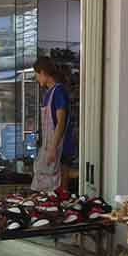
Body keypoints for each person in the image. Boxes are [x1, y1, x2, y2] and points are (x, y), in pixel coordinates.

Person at [31, 56, 73, 193]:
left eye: (37, 75)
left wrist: (53, 148)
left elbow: (61, 122)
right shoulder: (48, 93)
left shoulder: (58, 91)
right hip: (50, 145)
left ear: (43, 72)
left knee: (59, 190)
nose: (37, 79)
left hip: (60, 148)